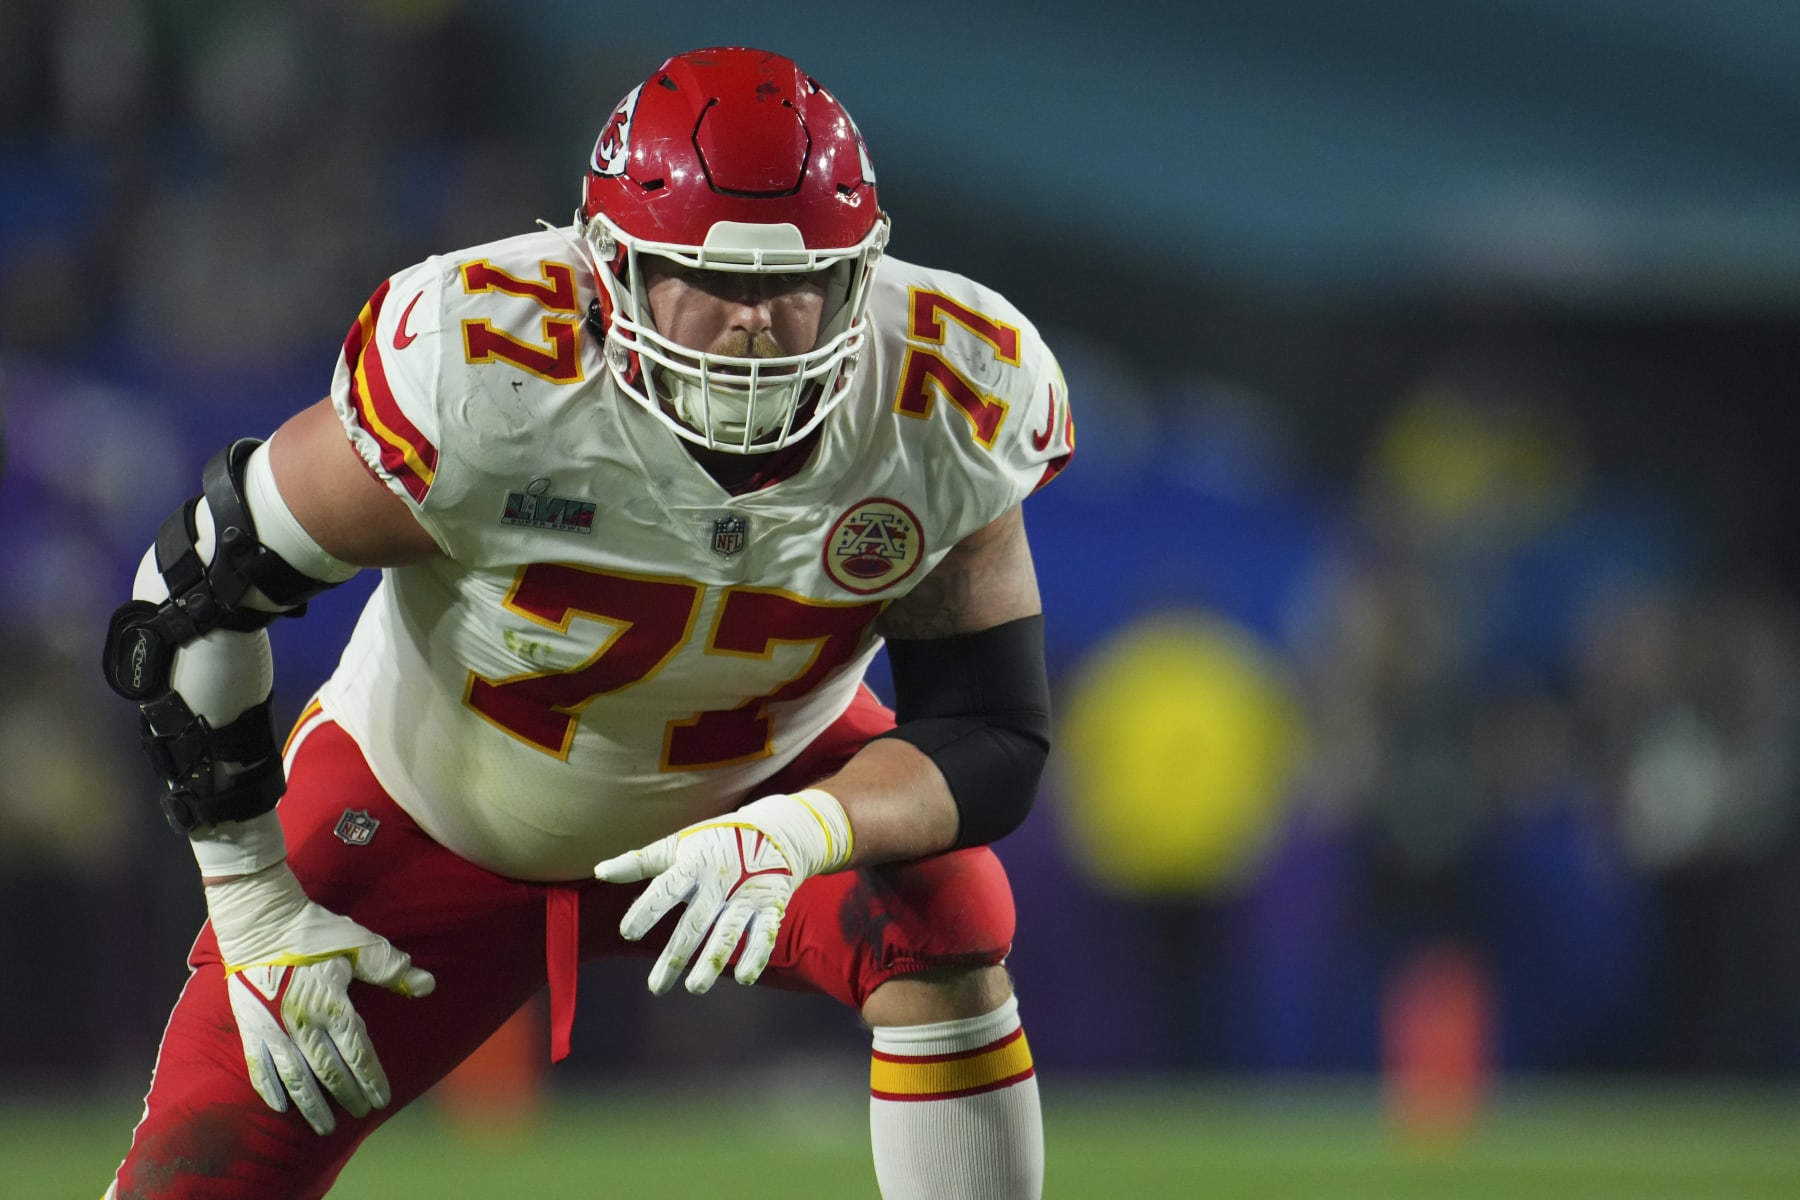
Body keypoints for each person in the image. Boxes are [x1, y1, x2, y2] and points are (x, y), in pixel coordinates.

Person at [100, 45, 1072, 1200]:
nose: (755, 325)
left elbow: (992, 731)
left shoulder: (944, 388)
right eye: (704, 281)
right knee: (192, 1175)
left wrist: (800, 833)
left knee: (949, 907)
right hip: (431, 808)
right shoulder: (485, 369)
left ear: (863, 272)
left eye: (794, 283)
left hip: (753, 797)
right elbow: (194, 594)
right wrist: (256, 902)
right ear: (609, 267)